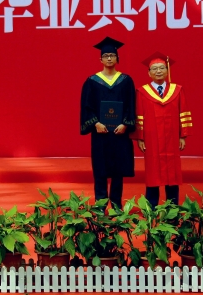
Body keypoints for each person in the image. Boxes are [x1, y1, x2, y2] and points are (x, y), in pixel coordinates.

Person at [80, 37, 136, 208]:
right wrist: (95, 123)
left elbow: (132, 105)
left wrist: (125, 124)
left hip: (120, 133)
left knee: (118, 170)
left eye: (112, 55)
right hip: (100, 134)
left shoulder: (126, 81)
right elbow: (86, 106)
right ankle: (100, 205)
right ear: (101, 59)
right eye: (106, 56)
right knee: (100, 170)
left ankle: (116, 205)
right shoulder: (92, 81)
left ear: (117, 58)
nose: (109, 58)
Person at [131, 52, 192, 206]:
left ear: (167, 70)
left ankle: (172, 207)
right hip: (151, 139)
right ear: (149, 73)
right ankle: (151, 208)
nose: (158, 71)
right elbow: (138, 115)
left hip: (172, 138)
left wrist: (183, 136)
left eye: (162, 68)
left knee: (172, 173)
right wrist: (140, 138)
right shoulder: (142, 92)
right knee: (153, 173)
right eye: (154, 68)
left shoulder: (177, 90)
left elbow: (183, 112)